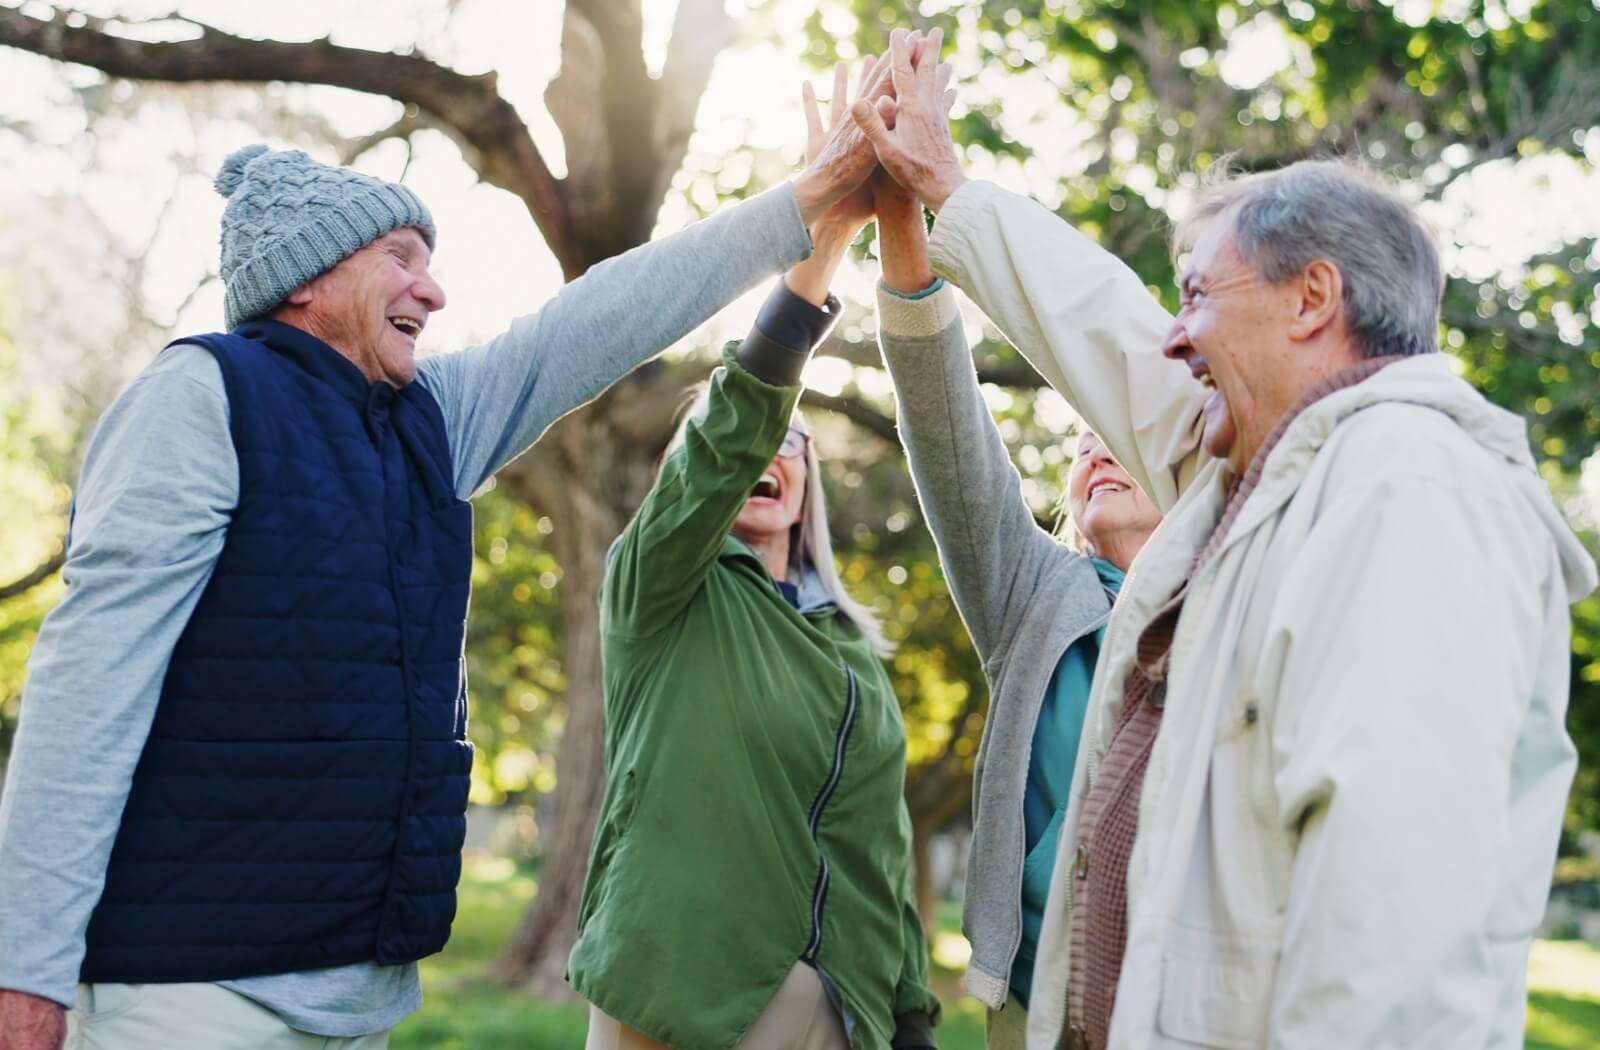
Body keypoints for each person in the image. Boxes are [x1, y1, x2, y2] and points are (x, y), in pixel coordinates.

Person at [0, 76, 892, 1049]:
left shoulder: (434, 418)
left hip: (359, 996)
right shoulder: (198, 399)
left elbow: (599, 319)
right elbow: (85, 693)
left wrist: (803, 208)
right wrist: (23, 969)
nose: (433, 289)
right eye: (401, 259)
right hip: (186, 995)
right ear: (307, 277)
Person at [854, 29, 1599, 1050]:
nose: (1173, 334)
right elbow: (1117, 342)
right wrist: (947, 187)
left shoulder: (1406, 495)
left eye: (1197, 295)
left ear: (1311, 300)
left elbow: (1387, 934)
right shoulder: (1280, 480)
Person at [568, 49, 941, 1050]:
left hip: (831, 1009)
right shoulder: (662, 591)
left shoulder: (848, 647)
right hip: (674, 992)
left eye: (792, 444)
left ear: (809, 478)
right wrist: (820, 244)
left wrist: (907, 1009)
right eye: (747, 443)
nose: (766, 453)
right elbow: (732, 427)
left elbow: (877, 842)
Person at [867, 137, 1159, 1050]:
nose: (1095, 452)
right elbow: (949, 431)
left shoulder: (1233, 587)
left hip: (1187, 994)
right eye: (1078, 449)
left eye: (1115, 432)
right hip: (1038, 1002)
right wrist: (903, 227)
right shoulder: (1039, 594)